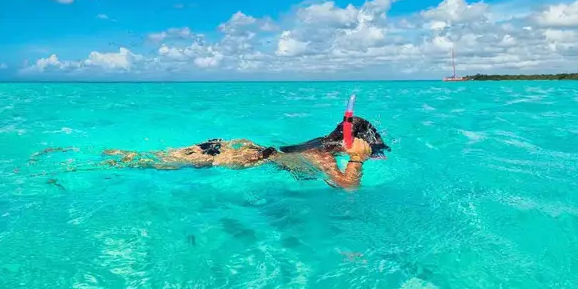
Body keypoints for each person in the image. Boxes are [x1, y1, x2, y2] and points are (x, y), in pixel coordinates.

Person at [98, 116, 389, 190]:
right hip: (228, 156)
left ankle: (112, 154)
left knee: (154, 158)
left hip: (232, 148)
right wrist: (356, 159)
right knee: (153, 164)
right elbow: (347, 188)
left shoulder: (317, 147)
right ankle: (99, 161)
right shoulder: (324, 154)